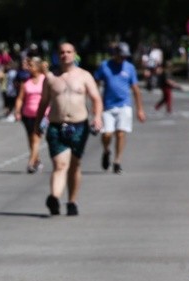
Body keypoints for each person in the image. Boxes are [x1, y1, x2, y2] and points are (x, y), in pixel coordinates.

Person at [35, 42, 103, 217]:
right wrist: (37, 124)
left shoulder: (84, 76)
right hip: (56, 126)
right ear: (57, 55)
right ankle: (55, 198)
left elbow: (96, 99)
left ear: (74, 54)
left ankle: (72, 201)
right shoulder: (50, 78)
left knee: (75, 165)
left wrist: (97, 117)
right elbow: (43, 103)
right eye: (62, 52)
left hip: (79, 126)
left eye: (68, 52)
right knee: (60, 164)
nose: (65, 55)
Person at [94, 42, 146, 174]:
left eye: (125, 56)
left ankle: (117, 161)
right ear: (115, 54)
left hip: (124, 105)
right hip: (108, 106)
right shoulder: (105, 66)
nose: (123, 58)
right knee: (107, 134)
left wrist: (140, 109)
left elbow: (136, 90)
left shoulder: (129, 68)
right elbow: (95, 83)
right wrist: (96, 104)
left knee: (121, 133)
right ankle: (106, 151)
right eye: (121, 56)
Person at [14, 57, 48, 173]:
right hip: (27, 114)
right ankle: (36, 160)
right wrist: (17, 111)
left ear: (38, 67)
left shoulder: (45, 80)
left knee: (35, 138)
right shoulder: (26, 83)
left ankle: (31, 163)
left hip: (42, 115)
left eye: (31, 65)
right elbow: (20, 99)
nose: (29, 68)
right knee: (31, 140)